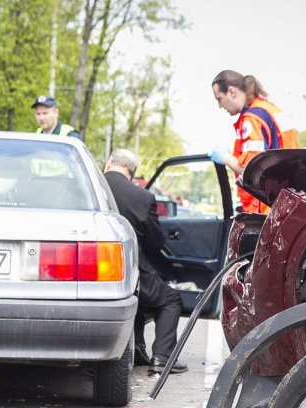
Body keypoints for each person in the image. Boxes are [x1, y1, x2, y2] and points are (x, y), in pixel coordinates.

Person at [103, 148, 188, 374]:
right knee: (169, 299)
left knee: (136, 296)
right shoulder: (142, 197)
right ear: (132, 172)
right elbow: (154, 243)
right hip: (130, 269)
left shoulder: (91, 187)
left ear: (109, 163)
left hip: (92, 271)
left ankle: (137, 349)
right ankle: (162, 357)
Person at [209, 70, 294, 214]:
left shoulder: (251, 120)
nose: (220, 106)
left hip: (266, 209)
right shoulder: (270, 109)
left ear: (232, 92)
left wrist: (226, 159)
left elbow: (252, 172)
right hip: (287, 201)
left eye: (219, 99)